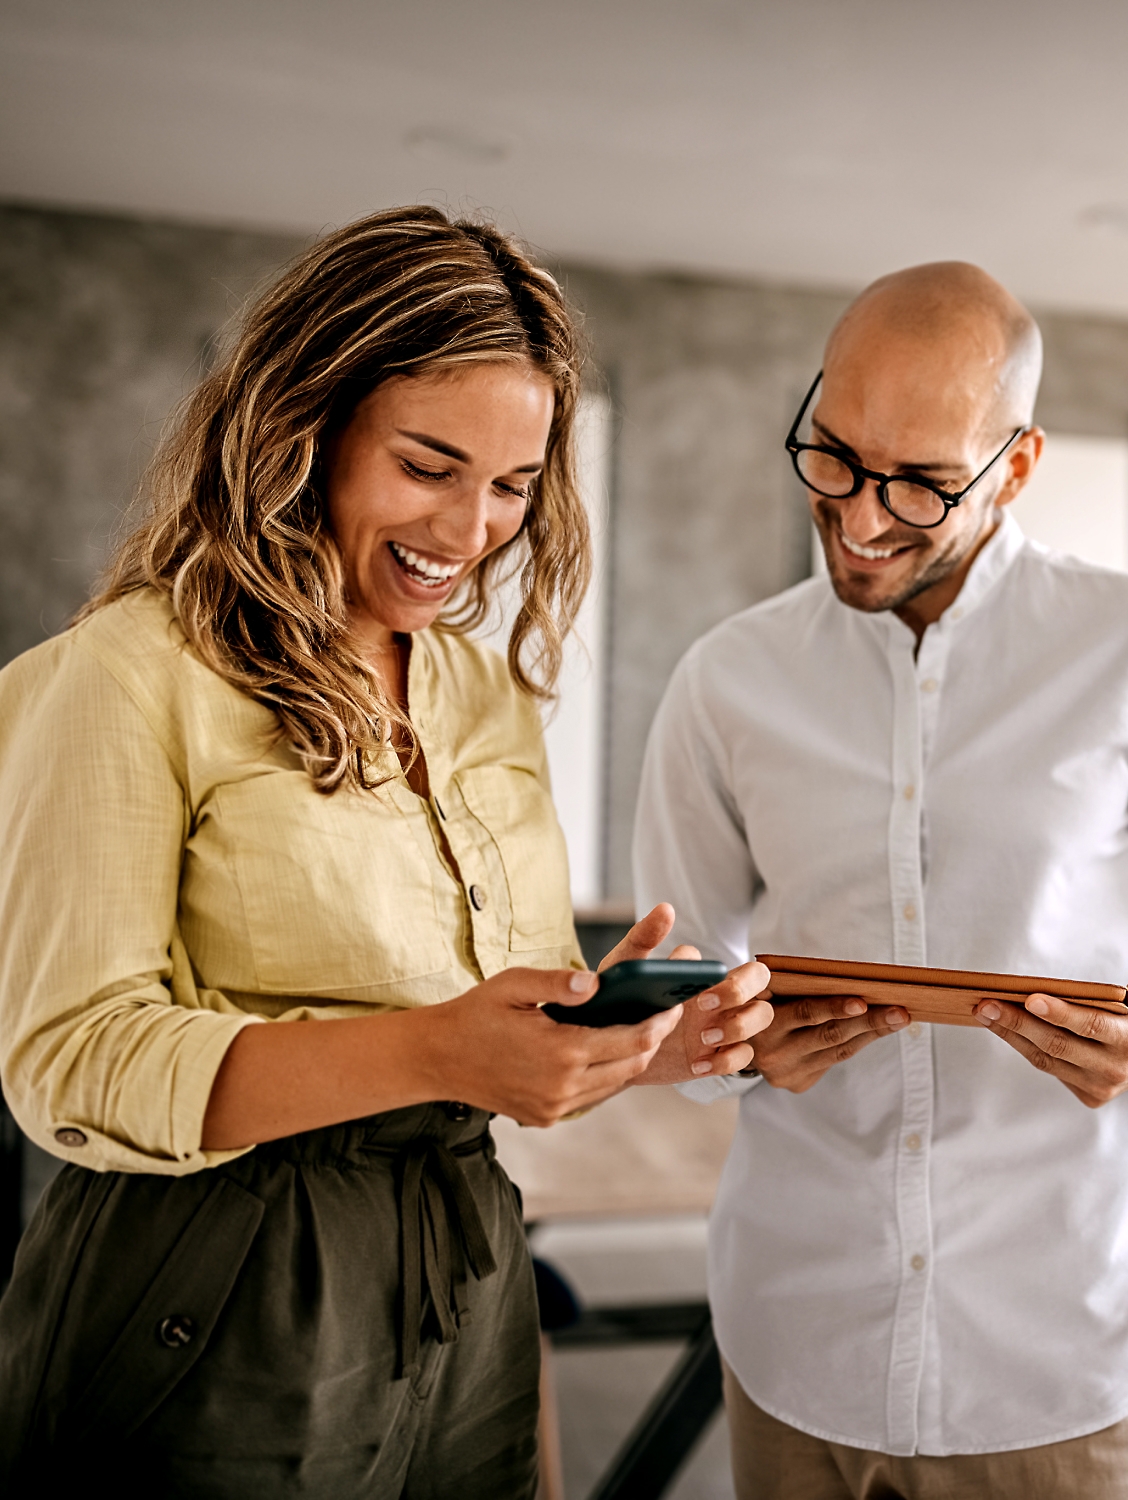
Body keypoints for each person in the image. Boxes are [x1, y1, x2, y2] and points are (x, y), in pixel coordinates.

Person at [0, 206, 773, 1497]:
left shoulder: (485, 691)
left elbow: (491, 1008)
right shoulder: (127, 676)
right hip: (214, 1275)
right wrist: (428, 1050)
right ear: (303, 430)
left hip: (466, 1256)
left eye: (516, 485)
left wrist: (634, 1041)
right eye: (429, 465)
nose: (476, 528)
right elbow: (70, 1060)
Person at [633, 262, 1128, 1498]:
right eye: (831, 455)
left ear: (1018, 464)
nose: (862, 514)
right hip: (797, 1337)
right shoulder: (724, 681)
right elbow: (680, 976)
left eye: (923, 483)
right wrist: (710, 1036)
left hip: (1060, 1355)